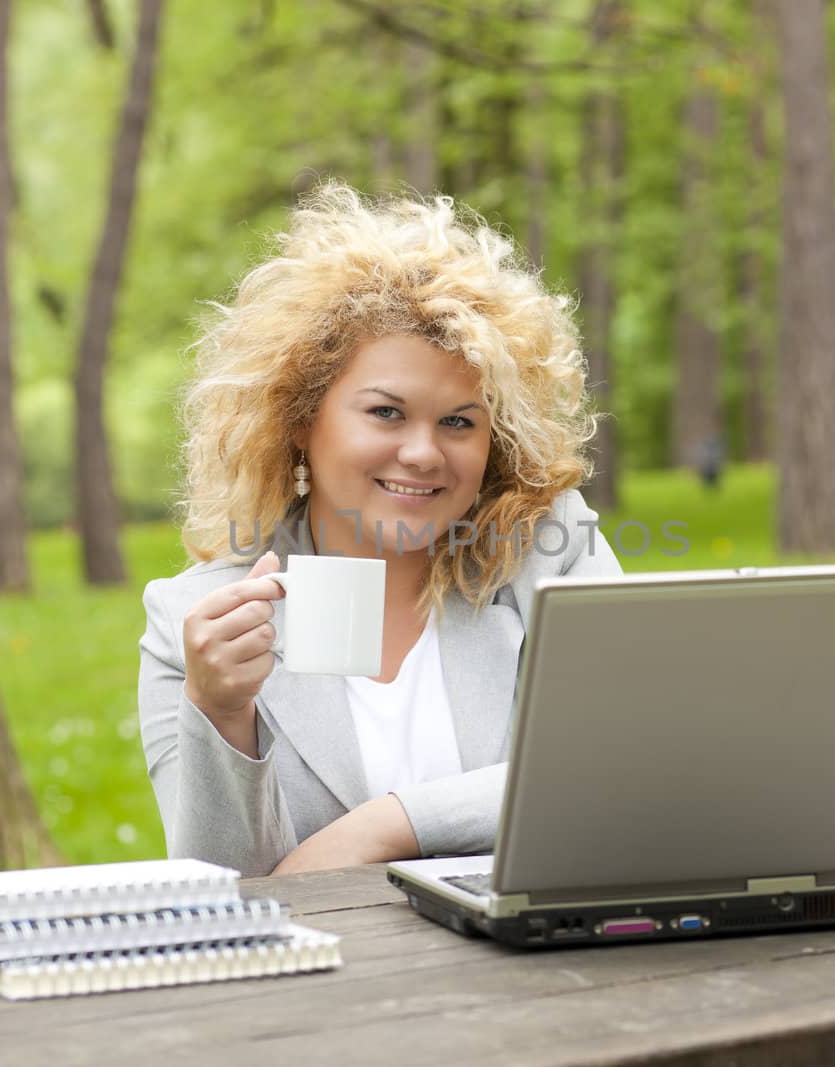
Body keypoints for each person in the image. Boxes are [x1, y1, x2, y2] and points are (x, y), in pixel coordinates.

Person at [137, 183, 622, 876]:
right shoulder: (194, 626)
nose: (424, 452)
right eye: (387, 413)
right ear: (300, 418)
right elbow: (227, 885)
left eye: (458, 420)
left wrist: (386, 827)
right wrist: (221, 714)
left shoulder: (546, 551)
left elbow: (619, 761)